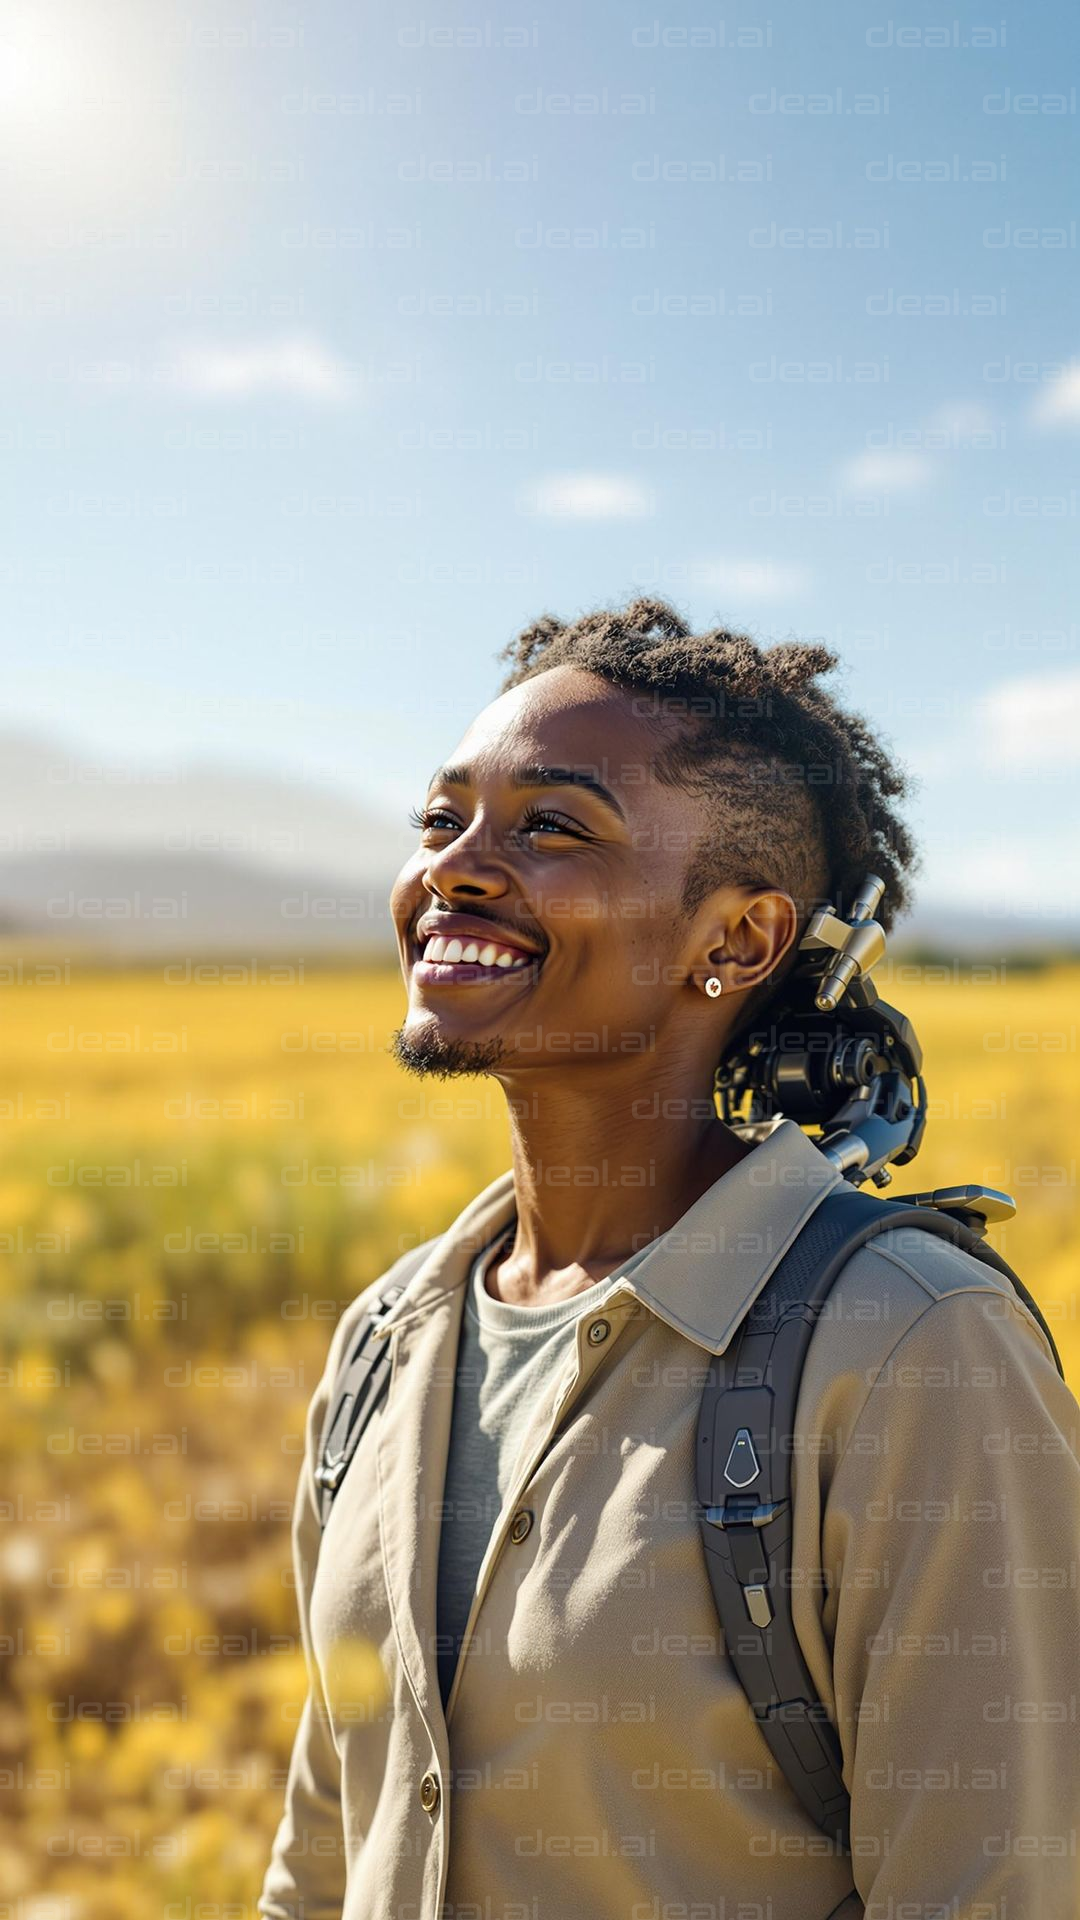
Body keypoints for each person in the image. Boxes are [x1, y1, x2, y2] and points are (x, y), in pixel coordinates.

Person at [258, 597, 1080, 1920]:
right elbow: (323, 1854)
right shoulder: (385, 1342)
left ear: (737, 940)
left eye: (552, 827)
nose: (458, 867)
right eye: (441, 819)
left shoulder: (913, 1347)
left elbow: (996, 1889)